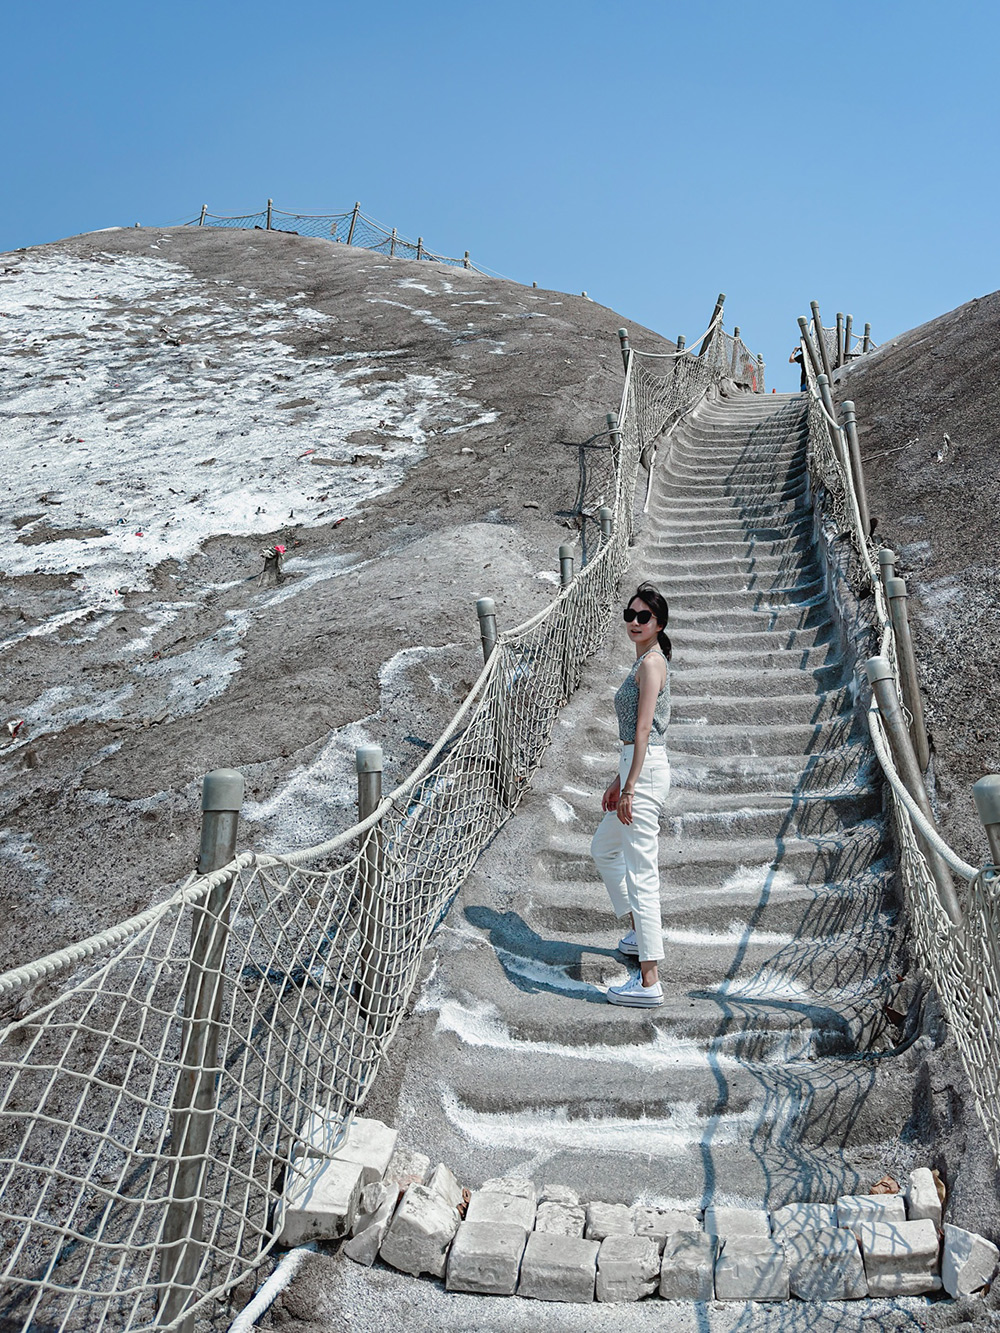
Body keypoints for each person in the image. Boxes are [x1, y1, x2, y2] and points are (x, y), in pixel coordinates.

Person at [590, 582, 672, 1007]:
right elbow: (632, 737)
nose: (634, 622)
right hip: (633, 767)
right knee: (603, 848)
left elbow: (645, 730)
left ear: (658, 624)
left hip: (646, 771)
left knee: (641, 873)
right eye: (631, 614)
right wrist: (619, 779)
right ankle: (640, 932)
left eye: (644, 617)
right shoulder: (641, 661)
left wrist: (632, 785)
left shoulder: (652, 664)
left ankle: (649, 981)